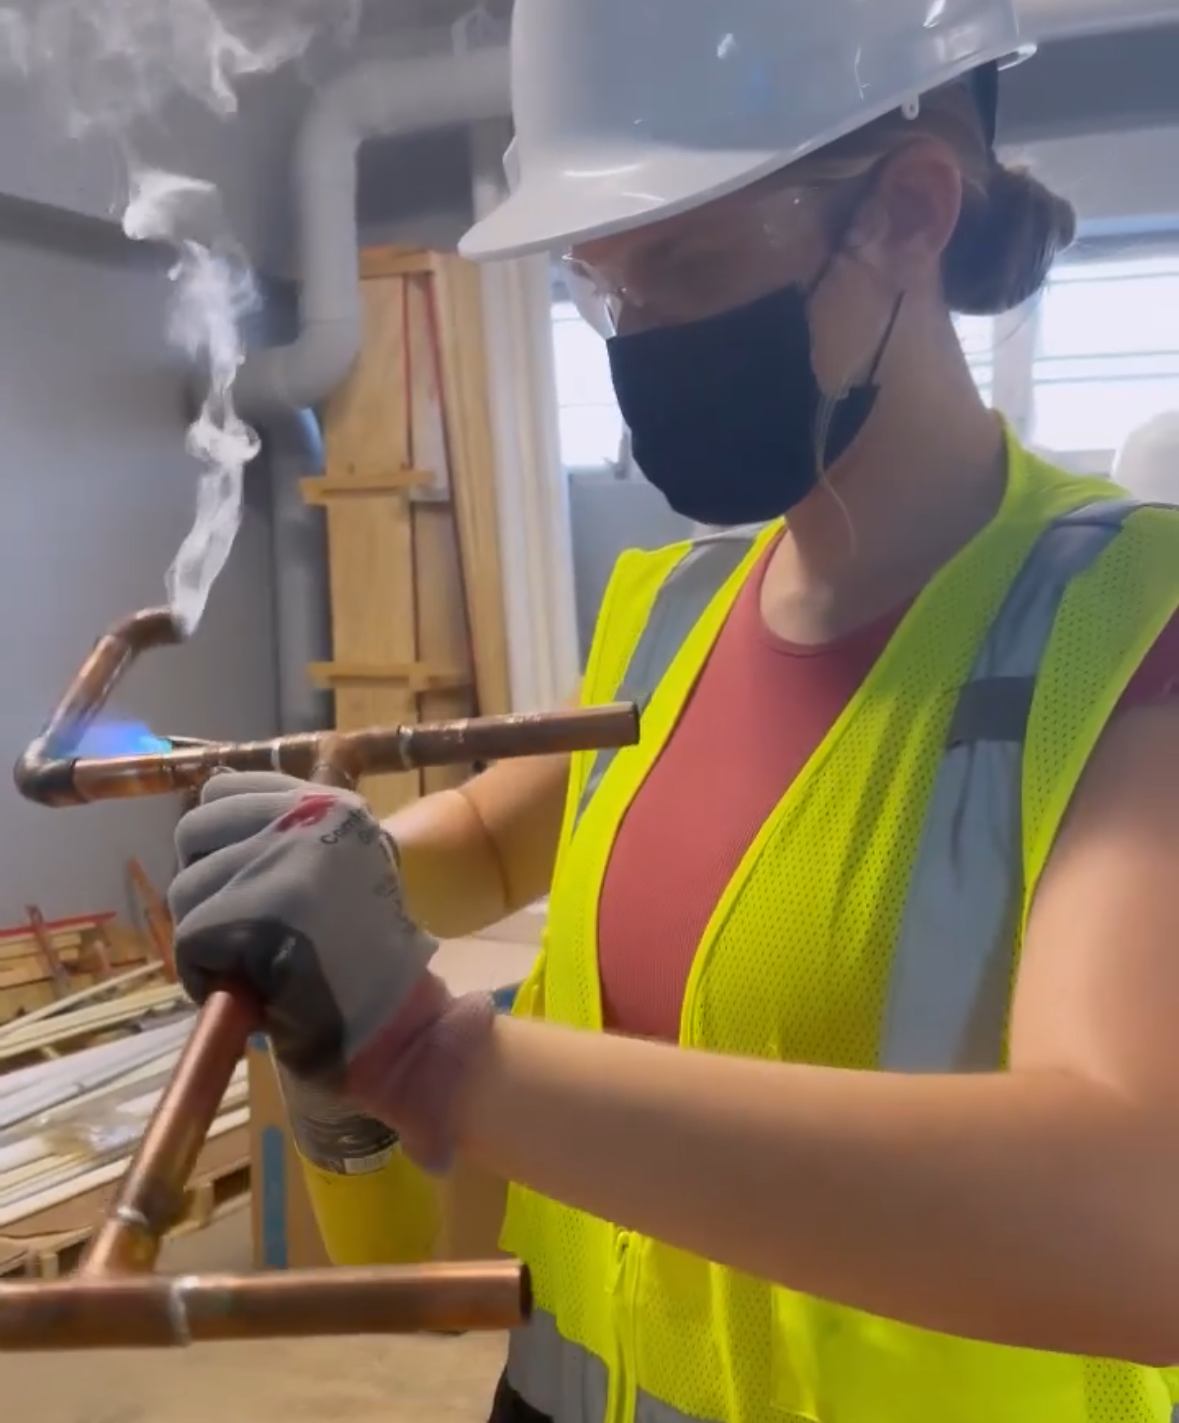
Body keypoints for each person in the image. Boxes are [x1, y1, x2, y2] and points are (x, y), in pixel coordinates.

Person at [168, 0, 1179, 1419]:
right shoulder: (670, 611)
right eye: (604, 287)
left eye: (690, 261)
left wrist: (426, 1050)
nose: (639, 335)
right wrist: (331, 877)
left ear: (905, 211)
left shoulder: (1129, 627)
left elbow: (1137, 1215)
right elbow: (503, 836)